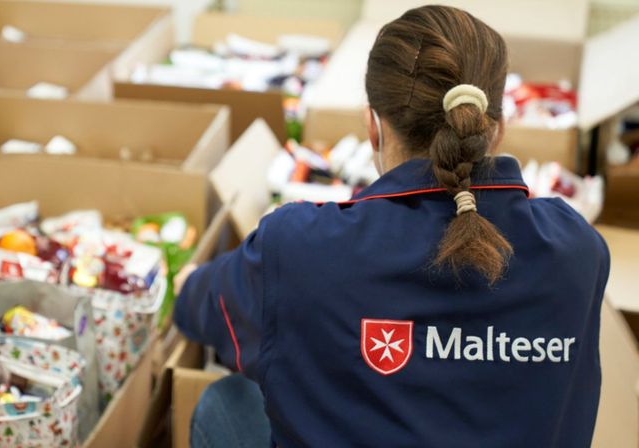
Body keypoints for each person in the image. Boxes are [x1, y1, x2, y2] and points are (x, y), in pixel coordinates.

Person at [173, 5, 610, 447]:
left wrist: (189, 283)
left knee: (227, 401)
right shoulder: (578, 250)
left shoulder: (301, 246)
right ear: (496, 130)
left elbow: (201, 307)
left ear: (374, 127)